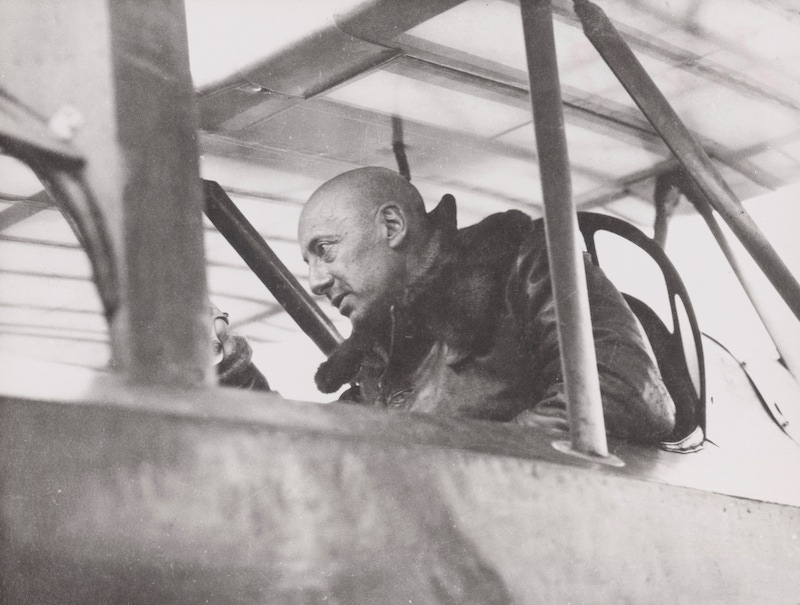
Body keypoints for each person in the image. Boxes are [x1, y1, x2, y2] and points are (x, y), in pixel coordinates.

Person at [293, 167, 676, 444]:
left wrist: (462, 468)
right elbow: (326, 445)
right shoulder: (381, 347)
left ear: (392, 226)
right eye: (308, 264)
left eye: (324, 250)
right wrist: (239, 374)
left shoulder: (523, 263)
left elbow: (623, 389)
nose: (315, 281)